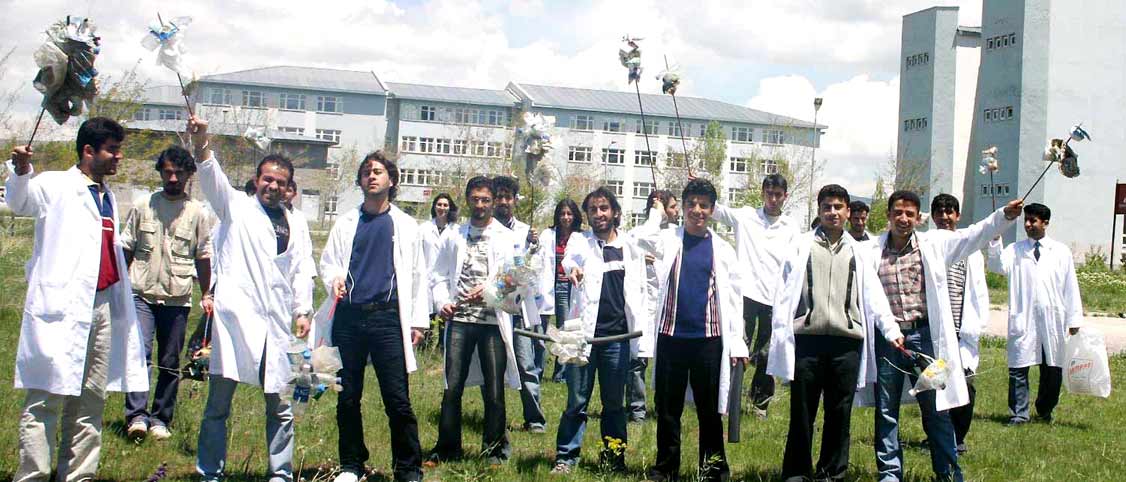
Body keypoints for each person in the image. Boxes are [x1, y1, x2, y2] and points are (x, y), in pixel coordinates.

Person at [8, 118, 149, 481]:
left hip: (101, 306)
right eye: (112, 150)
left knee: (90, 399)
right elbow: (20, 202)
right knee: (45, 398)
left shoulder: (106, 196)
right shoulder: (55, 184)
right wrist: (21, 171)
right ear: (89, 151)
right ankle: (33, 475)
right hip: (61, 306)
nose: (119, 157)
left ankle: (78, 475)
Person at [188, 116, 316, 482]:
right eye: (267, 179)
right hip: (235, 322)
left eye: (280, 182)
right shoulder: (236, 208)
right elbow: (211, 176)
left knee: (281, 405)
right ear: (257, 180)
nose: (273, 186)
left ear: (289, 188)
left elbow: (301, 268)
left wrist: (303, 310)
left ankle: (280, 474)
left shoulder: (296, 222)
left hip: (277, 324)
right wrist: (202, 142)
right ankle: (210, 472)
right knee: (218, 404)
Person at [867, 190, 1022, 482]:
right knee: (886, 409)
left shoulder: (934, 244)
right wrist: (889, 329)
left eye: (909, 214)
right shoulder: (871, 250)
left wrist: (1003, 216)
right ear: (888, 215)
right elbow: (870, 294)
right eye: (898, 212)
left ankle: (948, 473)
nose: (903, 219)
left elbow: (973, 235)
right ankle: (890, 474)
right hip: (889, 343)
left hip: (926, 339)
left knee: (937, 407)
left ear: (918, 218)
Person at [767, 184, 899, 481]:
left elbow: (874, 296)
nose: (832, 212)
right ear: (819, 210)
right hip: (808, 341)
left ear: (848, 212)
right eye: (827, 207)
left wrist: (890, 329)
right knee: (802, 412)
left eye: (838, 207)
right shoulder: (800, 246)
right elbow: (782, 292)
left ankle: (832, 473)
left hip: (846, 344)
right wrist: (780, 331)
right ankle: (797, 473)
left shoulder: (859, 252)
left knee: (839, 413)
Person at [317, 151, 429, 482]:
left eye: (378, 171)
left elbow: (418, 274)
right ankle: (351, 465)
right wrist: (334, 278)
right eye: (366, 172)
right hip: (349, 318)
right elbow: (329, 262)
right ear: (361, 181)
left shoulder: (405, 225)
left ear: (391, 180)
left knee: (397, 399)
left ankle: (408, 469)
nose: (371, 176)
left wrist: (418, 321)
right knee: (347, 396)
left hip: (387, 319)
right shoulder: (347, 222)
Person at [634, 178, 749, 482]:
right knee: (667, 409)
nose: (697, 210)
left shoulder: (722, 249)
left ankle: (712, 469)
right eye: (691, 204)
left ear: (712, 210)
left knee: (709, 410)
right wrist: (657, 213)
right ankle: (665, 468)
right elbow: (640, 237)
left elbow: (734, 300)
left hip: (708, 340)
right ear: (683, 207)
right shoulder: (669, 238)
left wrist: (737, 341)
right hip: (671, 336)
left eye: (704, 205)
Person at [427, 176, 525, 465]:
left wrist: (491, 289)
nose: (480, 205)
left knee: (494, 389)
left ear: (493, 202)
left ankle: (494, 450)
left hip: (492, 322)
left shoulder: (507, 237)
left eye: (485, 200)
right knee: (452, 387)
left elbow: (519, 276)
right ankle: (447, 448)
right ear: (467, 200)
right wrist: (442, 303)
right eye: (475, 199)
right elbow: (438, 275)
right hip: (460, 319)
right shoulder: (454, 235)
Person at [550, 187, 648, 474]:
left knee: (614, 403)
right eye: (593, 209)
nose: (599, 214)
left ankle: (614, 459)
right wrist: (573, 270)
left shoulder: (629, 246)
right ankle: (566, 457)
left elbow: (640, 288)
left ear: (615, 212)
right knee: (576, 401)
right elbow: (569, 261)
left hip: (616, 337)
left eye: (604, 208)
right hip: (581, 334)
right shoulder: (580, 241)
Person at [120, 145, 213, 442]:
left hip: (177, 298)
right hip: (140, 294)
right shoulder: (142, 205)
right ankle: (136, 416)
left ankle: (161, 418)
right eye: (168, 172)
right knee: (140, 354)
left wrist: (206, 293)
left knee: (170, 361)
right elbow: (126, 247)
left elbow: (203, 255)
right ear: (160, 172)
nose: (173, 178)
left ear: (189, 175)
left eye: (179, 173)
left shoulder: (198, 212)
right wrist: (118, 287)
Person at [710, 173, 799, 418]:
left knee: (767, 354)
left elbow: (795, 263)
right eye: (769, 194)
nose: (773, 199)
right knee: (738, 347)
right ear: (762, 193)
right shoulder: (746, 216)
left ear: (785, 196)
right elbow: (716, 210)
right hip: (745, 295)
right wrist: (700, 186)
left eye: (778, 195)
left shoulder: (791, 227)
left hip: (776, 299)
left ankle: (760, 404)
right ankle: (728, 401)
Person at [987, 203, 1082, 426]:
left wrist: (1074, 318)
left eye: (1033, 221)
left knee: (1052, 369)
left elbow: (1071, 286)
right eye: (1026, 220)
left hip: (1052, 319)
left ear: (1045, 223)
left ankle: (1045, 409)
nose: (1028, 224)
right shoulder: (1015, 250)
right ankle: (1019, 414)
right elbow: (996, 266)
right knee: (1018, 367)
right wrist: (995, 239)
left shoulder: (1061, 251)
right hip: (1024, 317)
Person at [930, 194, 989, 454]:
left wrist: (979, 322)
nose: (944, 217)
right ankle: (939, 438)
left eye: (949, 212)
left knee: (966, 383)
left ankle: (958, 437)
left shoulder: (970, 249)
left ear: (957, 216)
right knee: (936, 386)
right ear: (933, 216)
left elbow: (979, 290)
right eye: (940, 212)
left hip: (962, 331)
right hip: (937, 330)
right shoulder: (927, 244)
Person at [492, 175, 547, 432]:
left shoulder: (527, 232)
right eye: (498, 197)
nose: (503, 202)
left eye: (507, 197)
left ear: (515, 200)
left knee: (526, 364)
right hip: (493, 306)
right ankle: (495, 419)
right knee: (493, 366)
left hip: (520, 308)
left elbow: (535, 269)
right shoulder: (487, 230)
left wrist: (532, 248)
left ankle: (534, 419)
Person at [625, 190, 679, 422]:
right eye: (672, 206)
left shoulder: (677, 235)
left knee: (666, 361)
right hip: (642, 308)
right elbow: (639, 245)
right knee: (638, 359)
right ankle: (637, 409)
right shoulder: (638, 233)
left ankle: (663, 407)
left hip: (667, 308)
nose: (677, 211)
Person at [537, 198, 582, 384]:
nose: (566, 217)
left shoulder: (580, 237)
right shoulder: (547, 234)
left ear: (575, 216)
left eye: (569, 213)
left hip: (567, 287)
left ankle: (561, 373)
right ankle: (537, 370)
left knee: (565, 329)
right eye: (562, 213)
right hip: (546, 285)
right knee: (540, 329)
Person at [421, 193, 460, 320]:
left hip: (447, 281)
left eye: (445, 205)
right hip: (426, 279)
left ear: (450, 208)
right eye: (439, 204)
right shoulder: (424, 228)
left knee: (445, 316)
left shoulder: (457, 230)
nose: (442, 208)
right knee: (426, 319)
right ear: (434, 207)